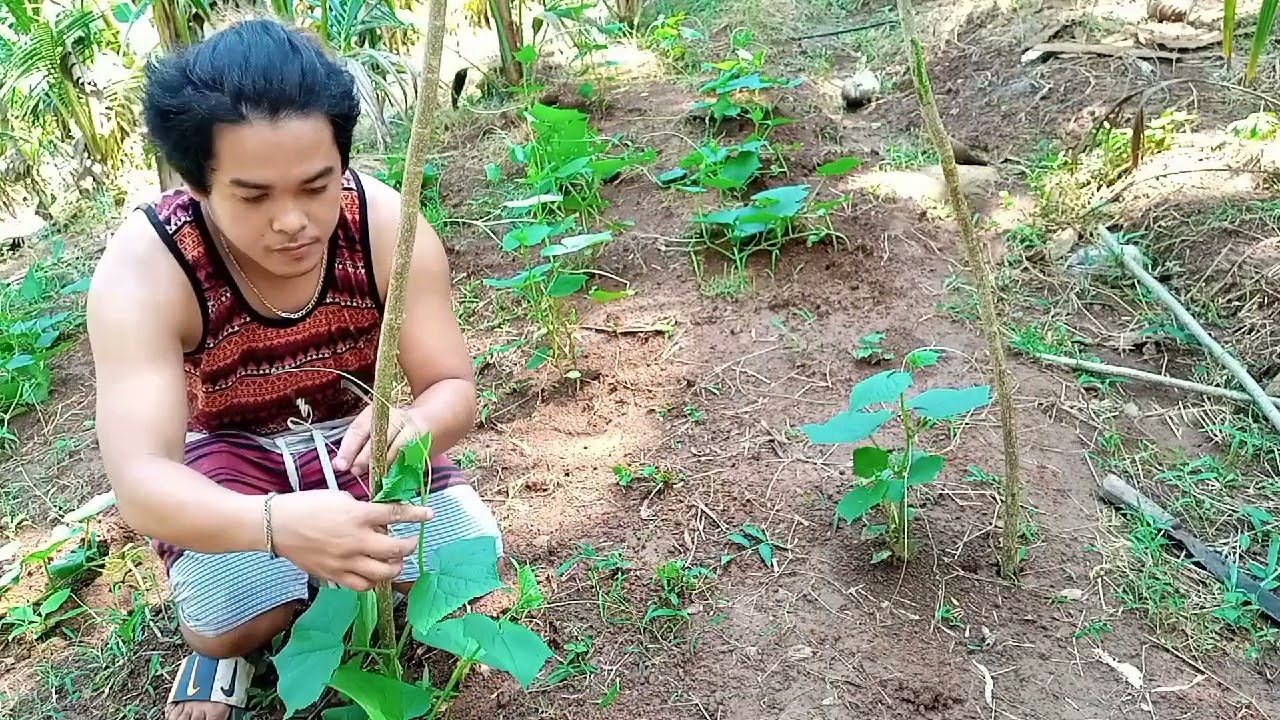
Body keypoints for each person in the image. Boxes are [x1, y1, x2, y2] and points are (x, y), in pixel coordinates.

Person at [86, 17, 502, 720]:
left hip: (361, 438)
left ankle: (309, 581)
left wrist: (418, 423)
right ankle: (229, 647)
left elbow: (452, 388)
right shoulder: (146, 269)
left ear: (342, 160)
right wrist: (278, 525)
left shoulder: (384, 225)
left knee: (471, 562)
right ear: (196, 185)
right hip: (230, 457)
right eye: (253, 196)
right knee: (226, 620)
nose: (294, 221)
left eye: (317, 185)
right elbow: (142, 482)